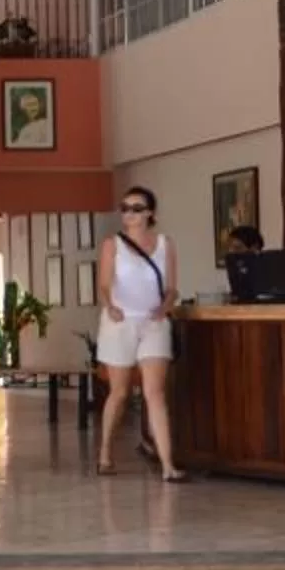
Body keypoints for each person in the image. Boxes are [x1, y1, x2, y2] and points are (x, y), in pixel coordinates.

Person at [94, 185, 182, 482]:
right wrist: (110, 306)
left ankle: (168, 464)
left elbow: (172, 287)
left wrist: (165, 308)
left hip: (153, 323)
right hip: (120, 323)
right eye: (125, 208)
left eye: (136, 208)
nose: (128, 214)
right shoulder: (112, 245)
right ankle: (105, 452)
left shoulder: (164, 244)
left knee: (154, 393)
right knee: (119, 392)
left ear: (150, 214)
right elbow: (104, 284)